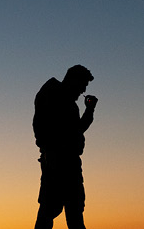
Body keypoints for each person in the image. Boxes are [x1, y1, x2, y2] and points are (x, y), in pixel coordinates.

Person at [33, 64, 97, 229]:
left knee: (70, 211)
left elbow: (76, 131)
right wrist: (52, 153)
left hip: (67, 163)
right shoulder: (53, 96)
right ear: (73, 80)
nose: (82, 90)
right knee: (51, 209)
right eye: (82, 85)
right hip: (58, 163)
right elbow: (55, 131)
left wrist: (89, 111)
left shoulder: (66, 101)